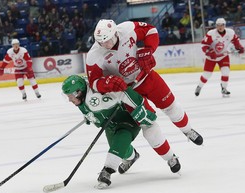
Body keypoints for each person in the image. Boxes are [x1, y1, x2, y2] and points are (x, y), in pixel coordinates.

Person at [86, 19, 203, 147]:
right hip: (128, 92)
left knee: (171, 106)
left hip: (146, 76)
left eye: (108, 40)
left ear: (115, 33)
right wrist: (108, 83)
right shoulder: (94, 54)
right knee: (148, 124)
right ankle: (170, 157)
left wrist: (149, 50)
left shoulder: (127, 29)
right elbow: (94, 82)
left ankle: (187, 130)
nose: (106, 44)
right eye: (101, 42)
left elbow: (151, 30)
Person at [62, 75, 181, 189]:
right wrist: (89, 116)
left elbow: (123, 92)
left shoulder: (95, 98)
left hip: (126, 116)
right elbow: (88, 109)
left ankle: (107, 171)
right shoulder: (82, 94)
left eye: (70, 96)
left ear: (78, 92)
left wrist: (138, 107)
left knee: (121, 140)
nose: (69, 99)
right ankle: (132, 157)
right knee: (120, 149)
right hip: (109, 123)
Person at [195, 18, 245, 97]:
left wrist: (240, 48)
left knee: (226, 71)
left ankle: (224, 88)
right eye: (218, 25)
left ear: (224, 25)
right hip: (211, 58)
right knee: (207, 74)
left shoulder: (230, 33)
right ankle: (199, 86)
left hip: (223, 56)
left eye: (221, 25)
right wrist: (210, 52)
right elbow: (204, 45)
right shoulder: (211, 34)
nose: (220, 27)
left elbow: (236, 42)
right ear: (216, 26)